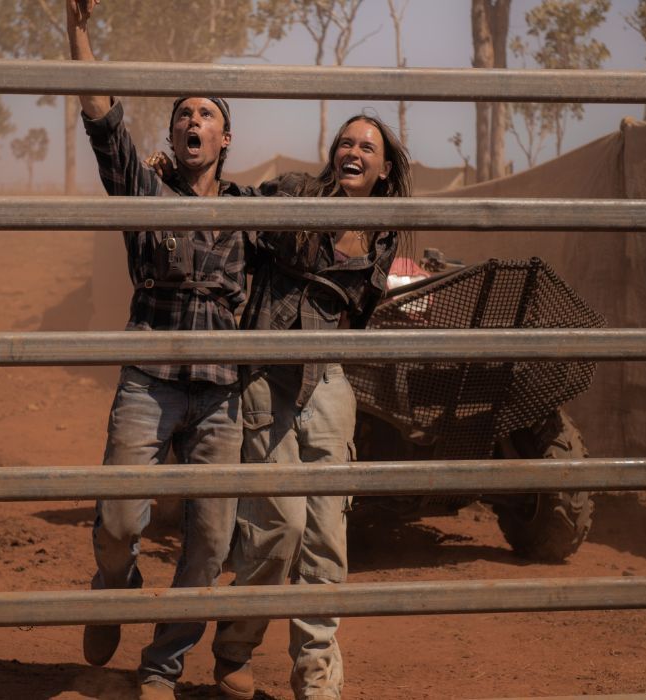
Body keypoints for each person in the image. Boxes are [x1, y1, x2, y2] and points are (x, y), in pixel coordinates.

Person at [65, 1, 255, 698]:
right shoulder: (144, 191)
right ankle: (113, 584)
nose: (191, 122)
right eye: (182, 115)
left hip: (221, 391)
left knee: (209, 541)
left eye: (205, 115)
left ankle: (163, 667)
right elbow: (103, 123)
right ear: (172, 136)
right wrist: (80, 30)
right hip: (151, 379)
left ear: (226, 139)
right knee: (118, 522)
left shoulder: (253, 215)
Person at [212, 115, 412, 700]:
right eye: (345, 143)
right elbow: (244, 206)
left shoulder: (387, 232)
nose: (352, 152)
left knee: (327, 535)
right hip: (268, 375)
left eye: (366, 147)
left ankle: (316, 671)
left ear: (385, 168)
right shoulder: (298, 193)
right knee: (279, 526)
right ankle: (234, 648)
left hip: (328, 381)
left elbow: (363, 309)